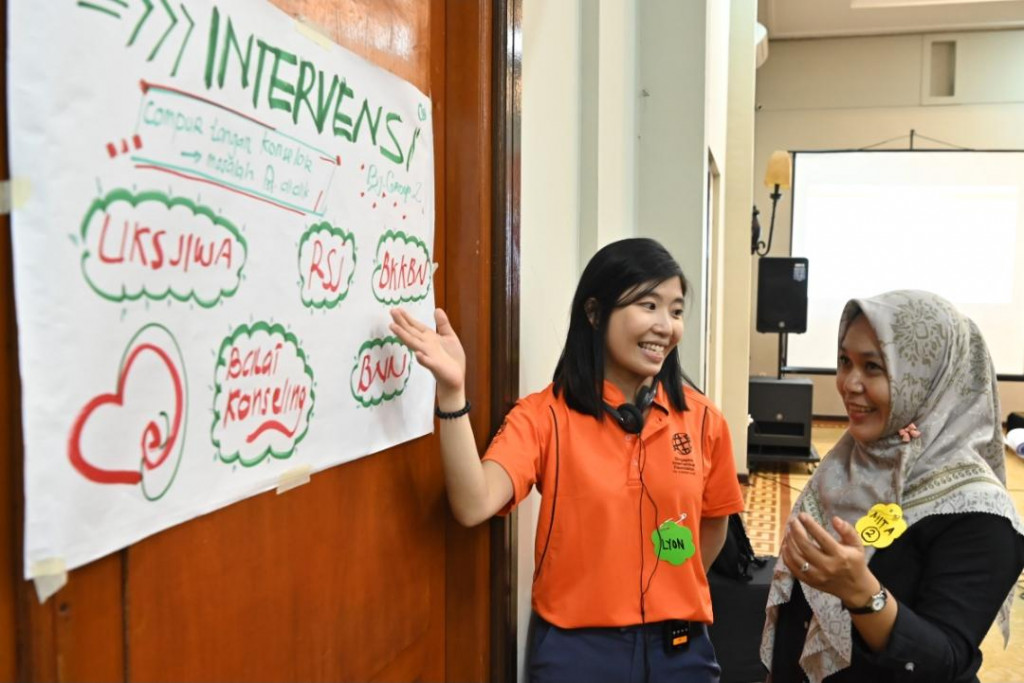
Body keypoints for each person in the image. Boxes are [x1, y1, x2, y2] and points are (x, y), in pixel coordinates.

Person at [390, 237, 745, 683]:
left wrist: (670, 591)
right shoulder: (544, 416)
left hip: (681, 653)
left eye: (675, 311)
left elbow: (713, 526)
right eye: (648, 305)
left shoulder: (704, 419)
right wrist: (452, 392)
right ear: (594, 313)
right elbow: (472, 503)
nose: (665, 326)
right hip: (577, 655)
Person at [760, 290, 1024, 683]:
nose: (849, 383)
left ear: (928, 379)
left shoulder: (979, 512)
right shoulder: (847, 463)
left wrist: (863, 595)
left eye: (873, 367)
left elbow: (944, 662)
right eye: (845, 362)